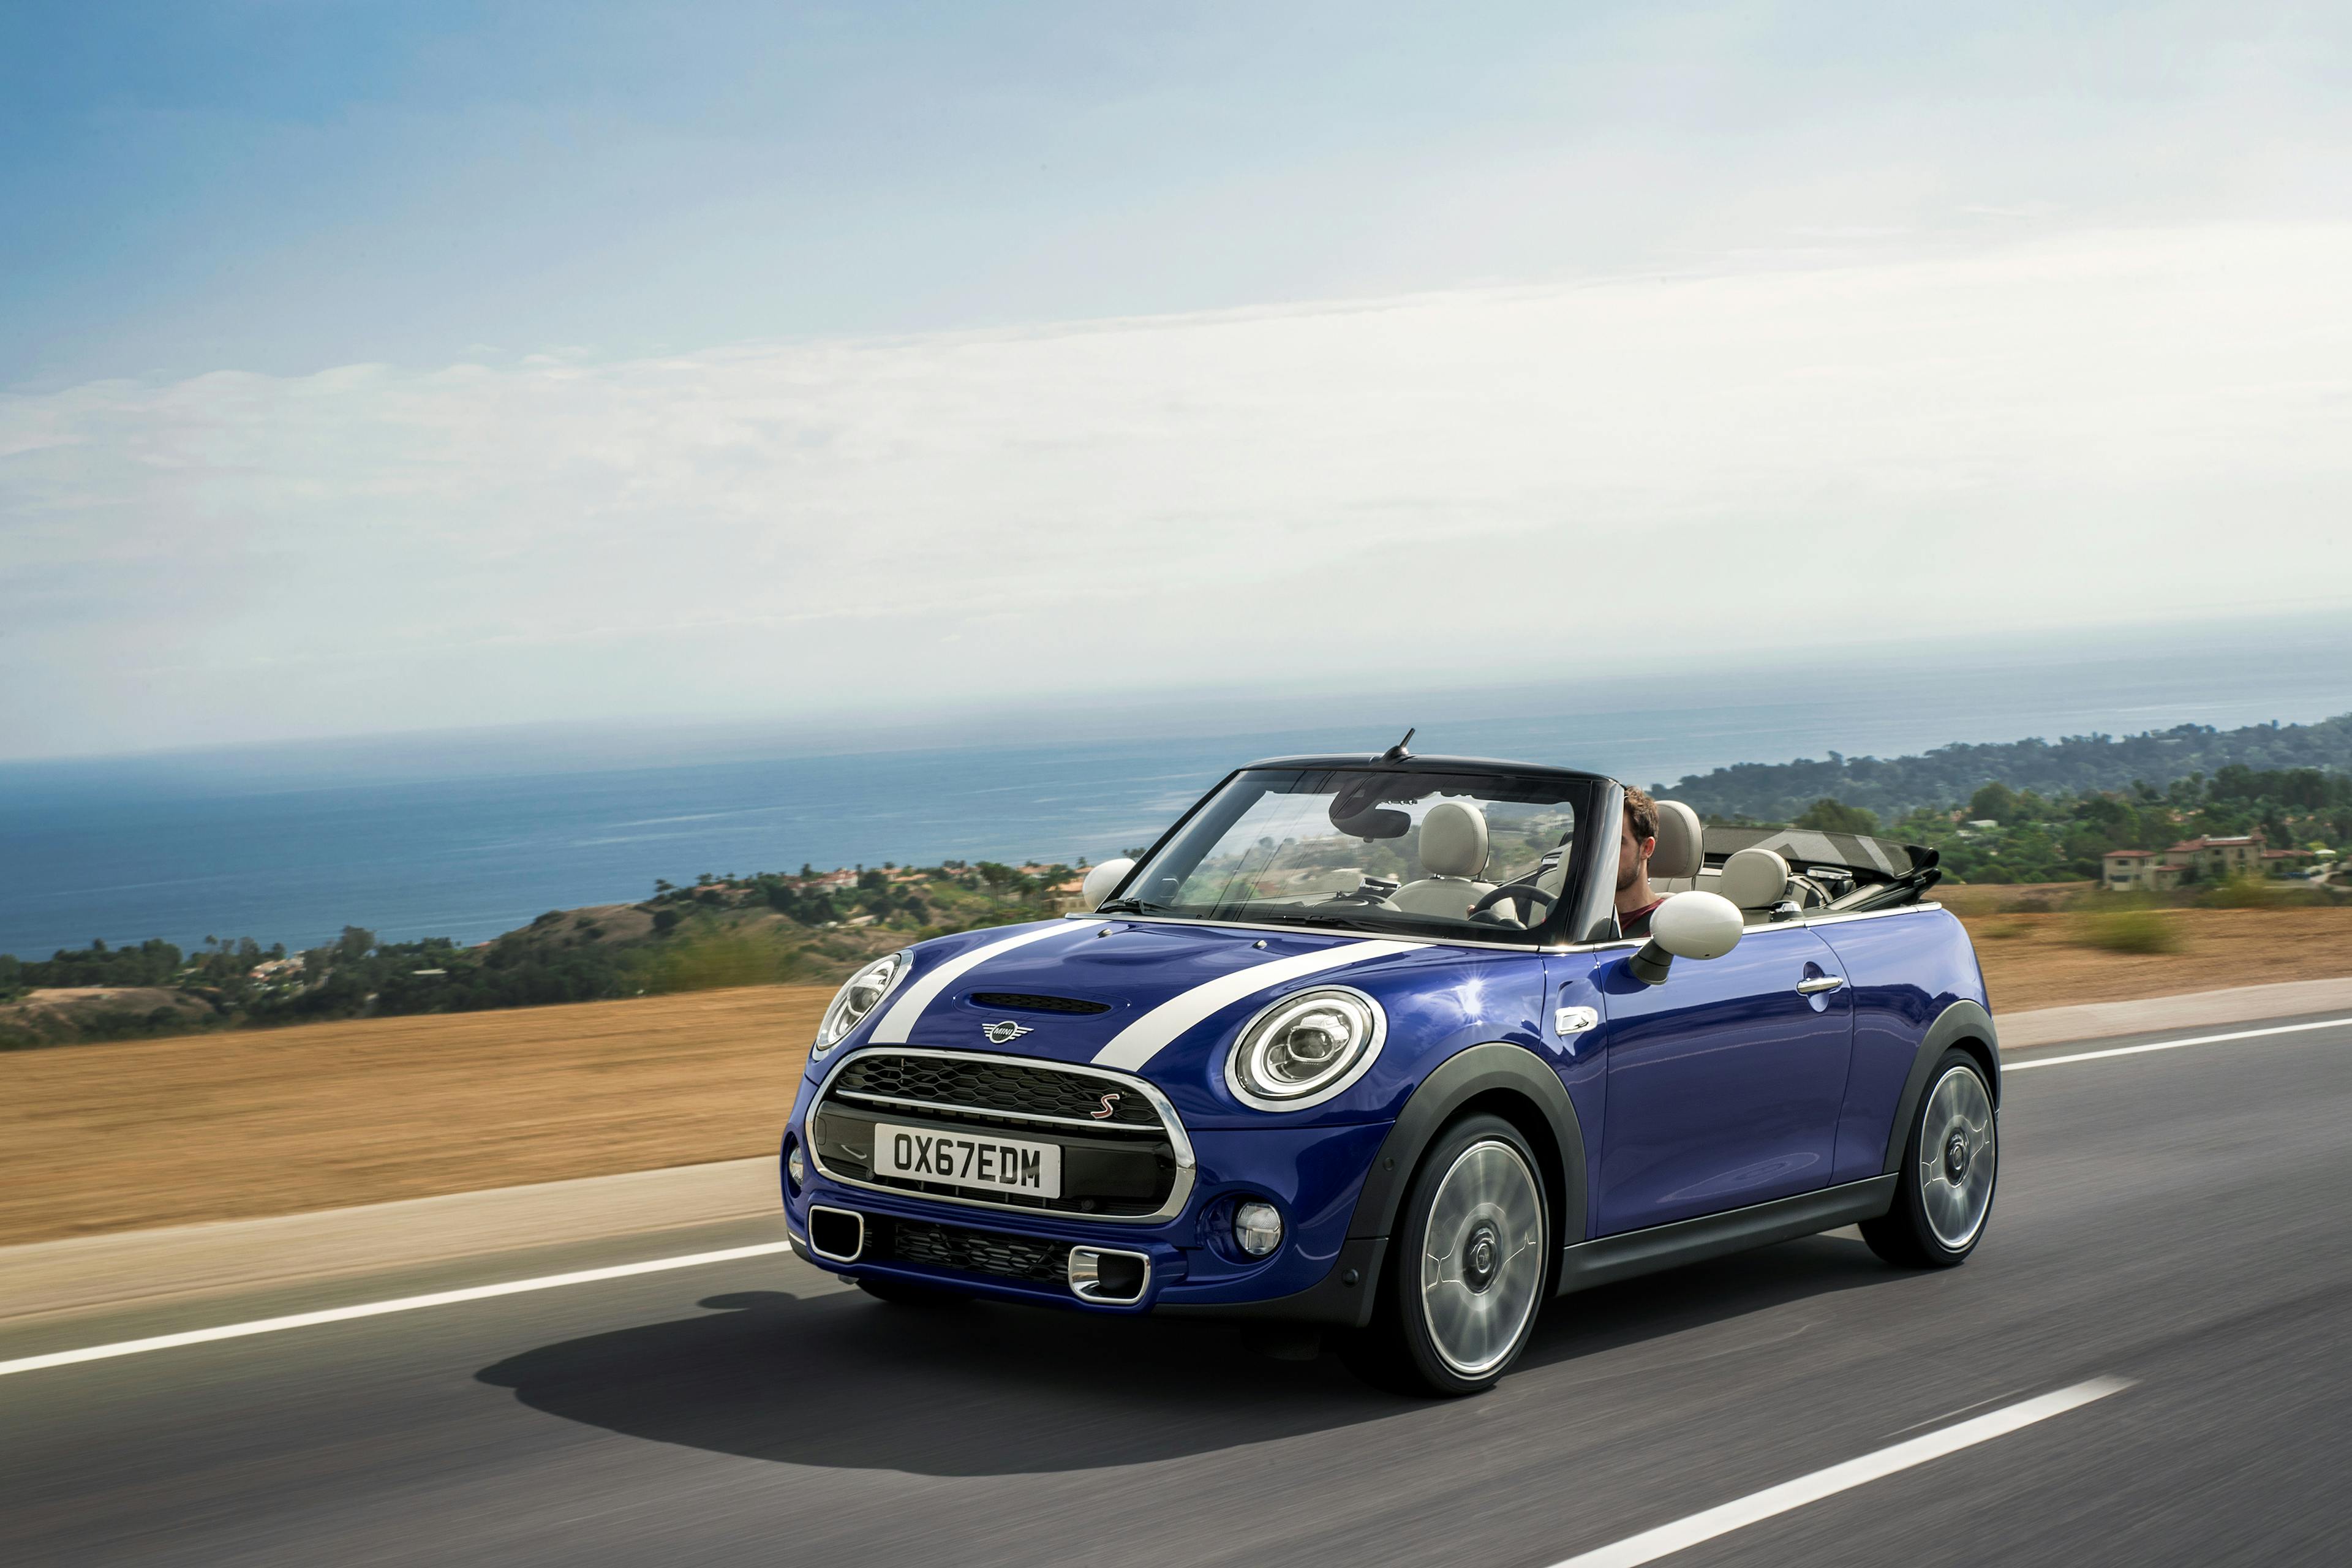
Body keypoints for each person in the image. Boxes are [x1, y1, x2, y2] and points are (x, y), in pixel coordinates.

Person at [1617, 785, 1665, 938]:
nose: (1602, 853)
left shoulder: (1667, 928)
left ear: (1646, 848)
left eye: (1617, 843)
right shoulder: (1572, 917)